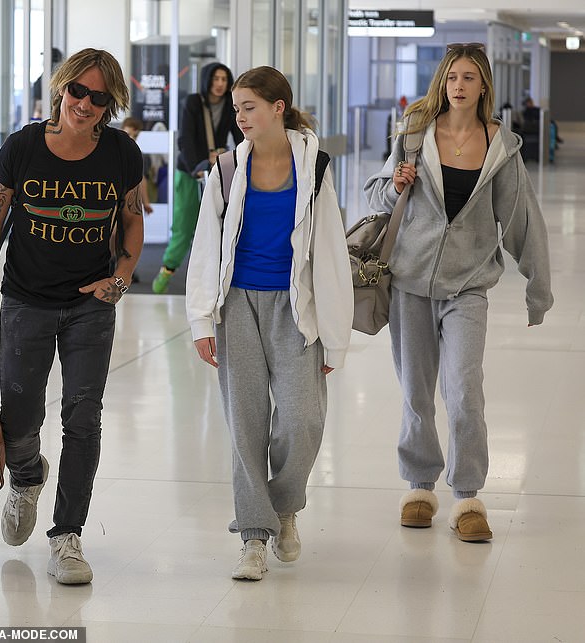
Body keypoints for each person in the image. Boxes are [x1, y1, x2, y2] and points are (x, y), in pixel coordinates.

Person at [0, 48, 144, 584]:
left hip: (91, 306)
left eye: (99, 98)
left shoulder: (121, 153)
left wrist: (120, 279)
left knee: (83, 417)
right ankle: (26, 477)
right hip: (25, 301)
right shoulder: (22, 148)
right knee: (19, 417)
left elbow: (132, 224)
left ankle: (67, 536)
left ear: (110, 105)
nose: (85, 104)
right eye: (77, 91)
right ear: (61, 87)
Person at [363, 43, 553, 542]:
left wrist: (539, 289)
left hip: (468, 284)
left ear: (483, 85)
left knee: (465, 390)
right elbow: (377, 194)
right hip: (410, 279)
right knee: (415, 392)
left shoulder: (501, 146)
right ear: (442, 83)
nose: (458, 86)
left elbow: (523, 220)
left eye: (469, 77)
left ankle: (468, 495)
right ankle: (419, 486)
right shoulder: (413, 134)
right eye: (451, 77)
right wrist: (396, 183)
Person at [186, 66, 353, 580]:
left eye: (249, 107)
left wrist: (336, 337)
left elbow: (329, 253)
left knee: (302, 420)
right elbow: (204, 246)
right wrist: (201, 320)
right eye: (236, 109)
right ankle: (254, 536)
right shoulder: (227, 169)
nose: (239, 117)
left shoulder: (315, 167)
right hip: (237, 304)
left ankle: (283, 508)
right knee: (246, 424)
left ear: (279, 107)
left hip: (295, 307)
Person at [151, 62, 243, 294]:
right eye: (215, 79)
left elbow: (240, 135)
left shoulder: (231, 105)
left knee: (219, 223)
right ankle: (166, 272)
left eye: (224, 79)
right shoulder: (193, 102)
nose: (220, 84)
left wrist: (246, 157)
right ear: (206, 80)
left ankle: (213, 279)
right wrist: (199, 164)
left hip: (218, 171)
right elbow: (186, 139)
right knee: (184, 224)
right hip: (190, 172)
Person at [32, 48, 63, 120]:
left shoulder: (44, 80)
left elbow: (37, 108)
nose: (43, 62)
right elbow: (38, 108)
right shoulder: (41, 80)